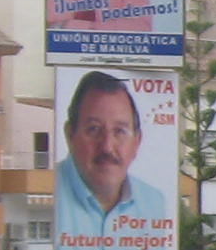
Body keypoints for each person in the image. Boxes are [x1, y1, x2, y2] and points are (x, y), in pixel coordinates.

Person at [54, 72, 175, 238]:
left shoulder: (155, 204)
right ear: (70, 135)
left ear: (137, 142)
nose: (107, 147)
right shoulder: (51, 193)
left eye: (119, 131)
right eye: (94, 129)